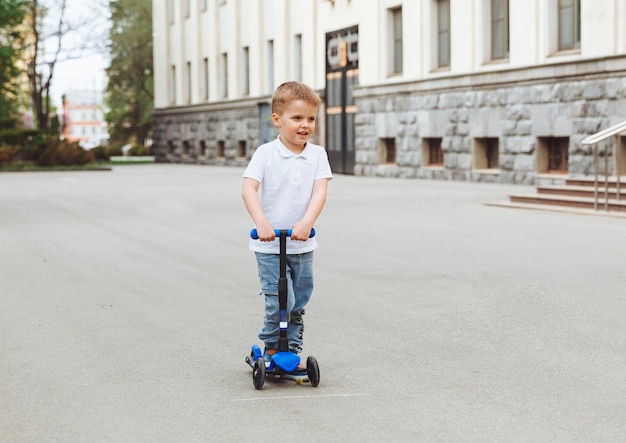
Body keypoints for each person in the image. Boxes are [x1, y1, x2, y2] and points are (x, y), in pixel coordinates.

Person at [242, 81, 332, 364]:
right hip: (269, 246)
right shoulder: (265, 154)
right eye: (297, 118)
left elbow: (320, 192)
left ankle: (291, 349)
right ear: (277, 120)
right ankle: (272, 347)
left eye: (311, 118)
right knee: (279, 300)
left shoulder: (317, 155)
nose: (305, 125)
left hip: (302, 244)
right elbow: (248, 189)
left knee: (299, 301)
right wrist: (262, 223)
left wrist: (307, 222)